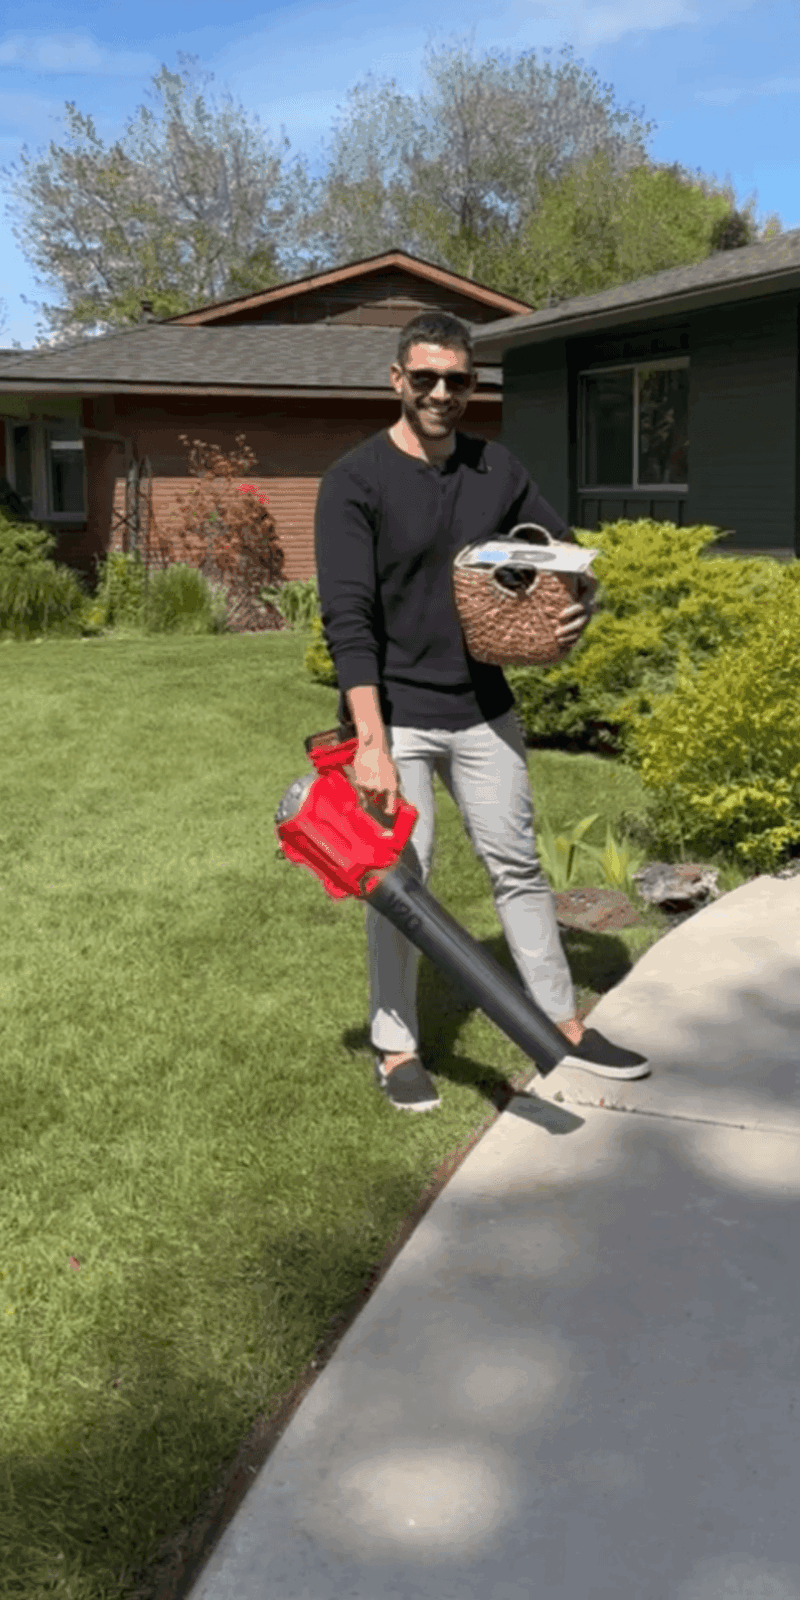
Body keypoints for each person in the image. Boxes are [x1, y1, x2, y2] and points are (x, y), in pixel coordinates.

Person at [314, 308, 651, 1112]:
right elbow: (348, 621)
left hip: (482, 708)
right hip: (396, 715)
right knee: (403, 882)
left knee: (517, 866)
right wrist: (370, 742)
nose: (441, 393)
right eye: (425, 378)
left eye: (456, 380)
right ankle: (396, 1048)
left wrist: (580, 604)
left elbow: (564, 555)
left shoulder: (495, 469)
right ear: (397, 380)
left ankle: (561, 1024)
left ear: (472, 384)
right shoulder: (354, 481)